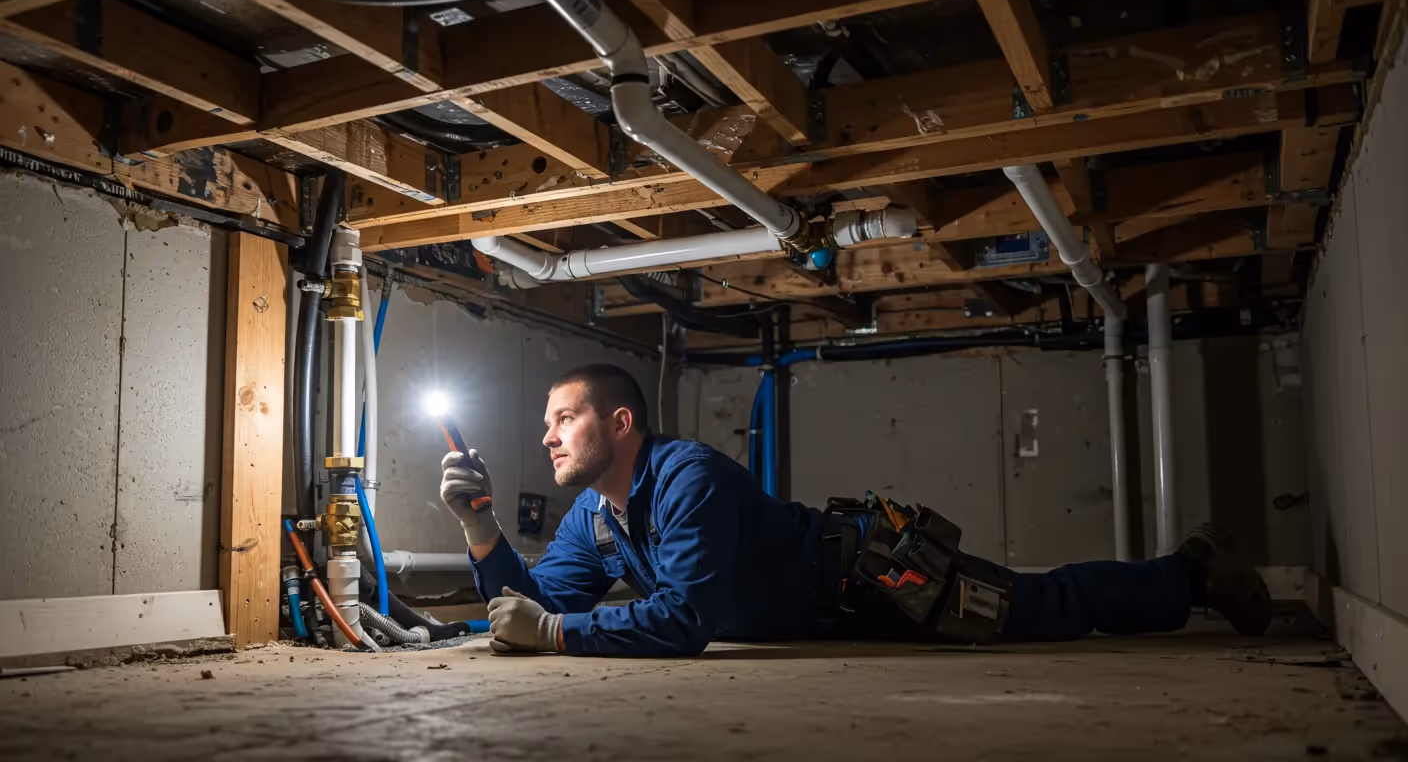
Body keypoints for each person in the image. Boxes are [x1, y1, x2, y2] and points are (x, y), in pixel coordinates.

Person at [441, 364, 1271, 657]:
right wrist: (481, 524)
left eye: (564, 419)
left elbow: (686, 619)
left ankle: (1190, 574)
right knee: (1038, 608)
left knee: (1043, 609)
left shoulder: (688, 477)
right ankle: (1188, 572)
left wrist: (556, 634)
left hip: (876, 577)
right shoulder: (595, 517)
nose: (546, 436)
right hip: (821, 615)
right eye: (546, 424)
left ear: (620, 423)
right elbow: (532, 609)